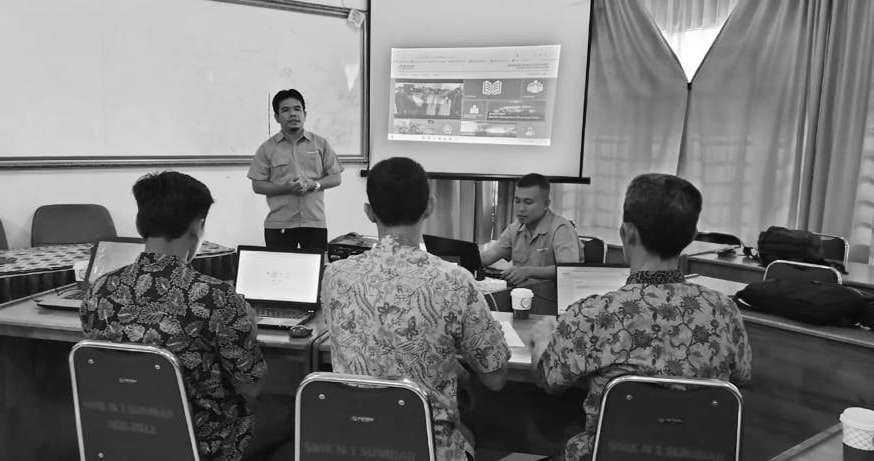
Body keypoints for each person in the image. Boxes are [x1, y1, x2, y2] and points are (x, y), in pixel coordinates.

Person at [529, 173, 753, 461]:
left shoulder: (592, 314)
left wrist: (542, 340)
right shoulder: (724, 311)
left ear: (627, 233)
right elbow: (742, 376)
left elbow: (548, 380)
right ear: (690, 238)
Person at [320, 157, 511, 461]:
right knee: (473, 432)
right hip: (429, 449)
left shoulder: (336, 276)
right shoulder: (453, 280)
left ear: (369, 212)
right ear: (430, 206)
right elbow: (495, 378)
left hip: (354, 445)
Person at [81, 171, 278, 461]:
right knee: (291, 412)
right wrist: (249, 329)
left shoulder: (99, 290)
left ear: (141, 223)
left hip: (121, 433)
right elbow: (252, 386)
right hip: (205, 443)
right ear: (197, 226)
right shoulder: (214, 295)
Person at [249, 89, 343, 250]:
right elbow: (258, 185)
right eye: (286, 110)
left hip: (314, 223)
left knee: (316, 266)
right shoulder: (267, 148)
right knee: (280, 266)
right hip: (279, 225)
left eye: (297, 109)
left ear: (304, 114)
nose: (293, 114)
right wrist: (286, 188)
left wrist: (314, 185)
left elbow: (336, 177)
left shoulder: (320, 144)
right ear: (277, 117)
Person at [480, 173, 582, 285]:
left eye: (528, 202)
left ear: (546, 204)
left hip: (549, 294)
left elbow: (568, 270)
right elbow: (490, 255)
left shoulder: (561, 229)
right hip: (520, 292)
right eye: (517, 201)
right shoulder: (515, 228)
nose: (521, 209)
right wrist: (466, 263)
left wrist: (528, 272)